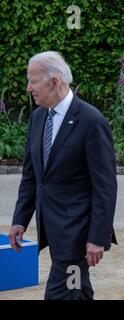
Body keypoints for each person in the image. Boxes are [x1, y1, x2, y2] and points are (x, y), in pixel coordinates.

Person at [8, 51, 117, 300]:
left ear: (54, 82)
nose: (29, 87)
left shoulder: (91, 121)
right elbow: (32, 177)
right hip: (51, 228)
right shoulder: (38, 118)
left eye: (33, 81)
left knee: (62, 293)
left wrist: (97, 238)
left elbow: (105, 187)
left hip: (77, 232)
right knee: (77, 291)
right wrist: (19, 220)